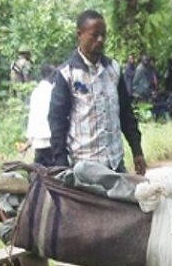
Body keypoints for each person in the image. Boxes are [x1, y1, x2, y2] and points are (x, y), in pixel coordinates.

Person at [48, 10, 146, 175]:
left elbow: (126, 114)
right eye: (94, 35)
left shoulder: (113, 69)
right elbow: (57, 121)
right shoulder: (67, 74)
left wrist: (137, 151)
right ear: (79, 34)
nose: (100, 40)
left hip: (115, 163)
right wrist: (61, 164)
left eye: (103, 35)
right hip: (84, 167)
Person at [26, 64, 56, 166]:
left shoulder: (36, 91)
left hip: (38, 137)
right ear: (51, 74)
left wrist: (30, 137)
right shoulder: (53, 91)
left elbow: (32, 115)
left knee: (39, 168)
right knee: (53, 170)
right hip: (50, 136)